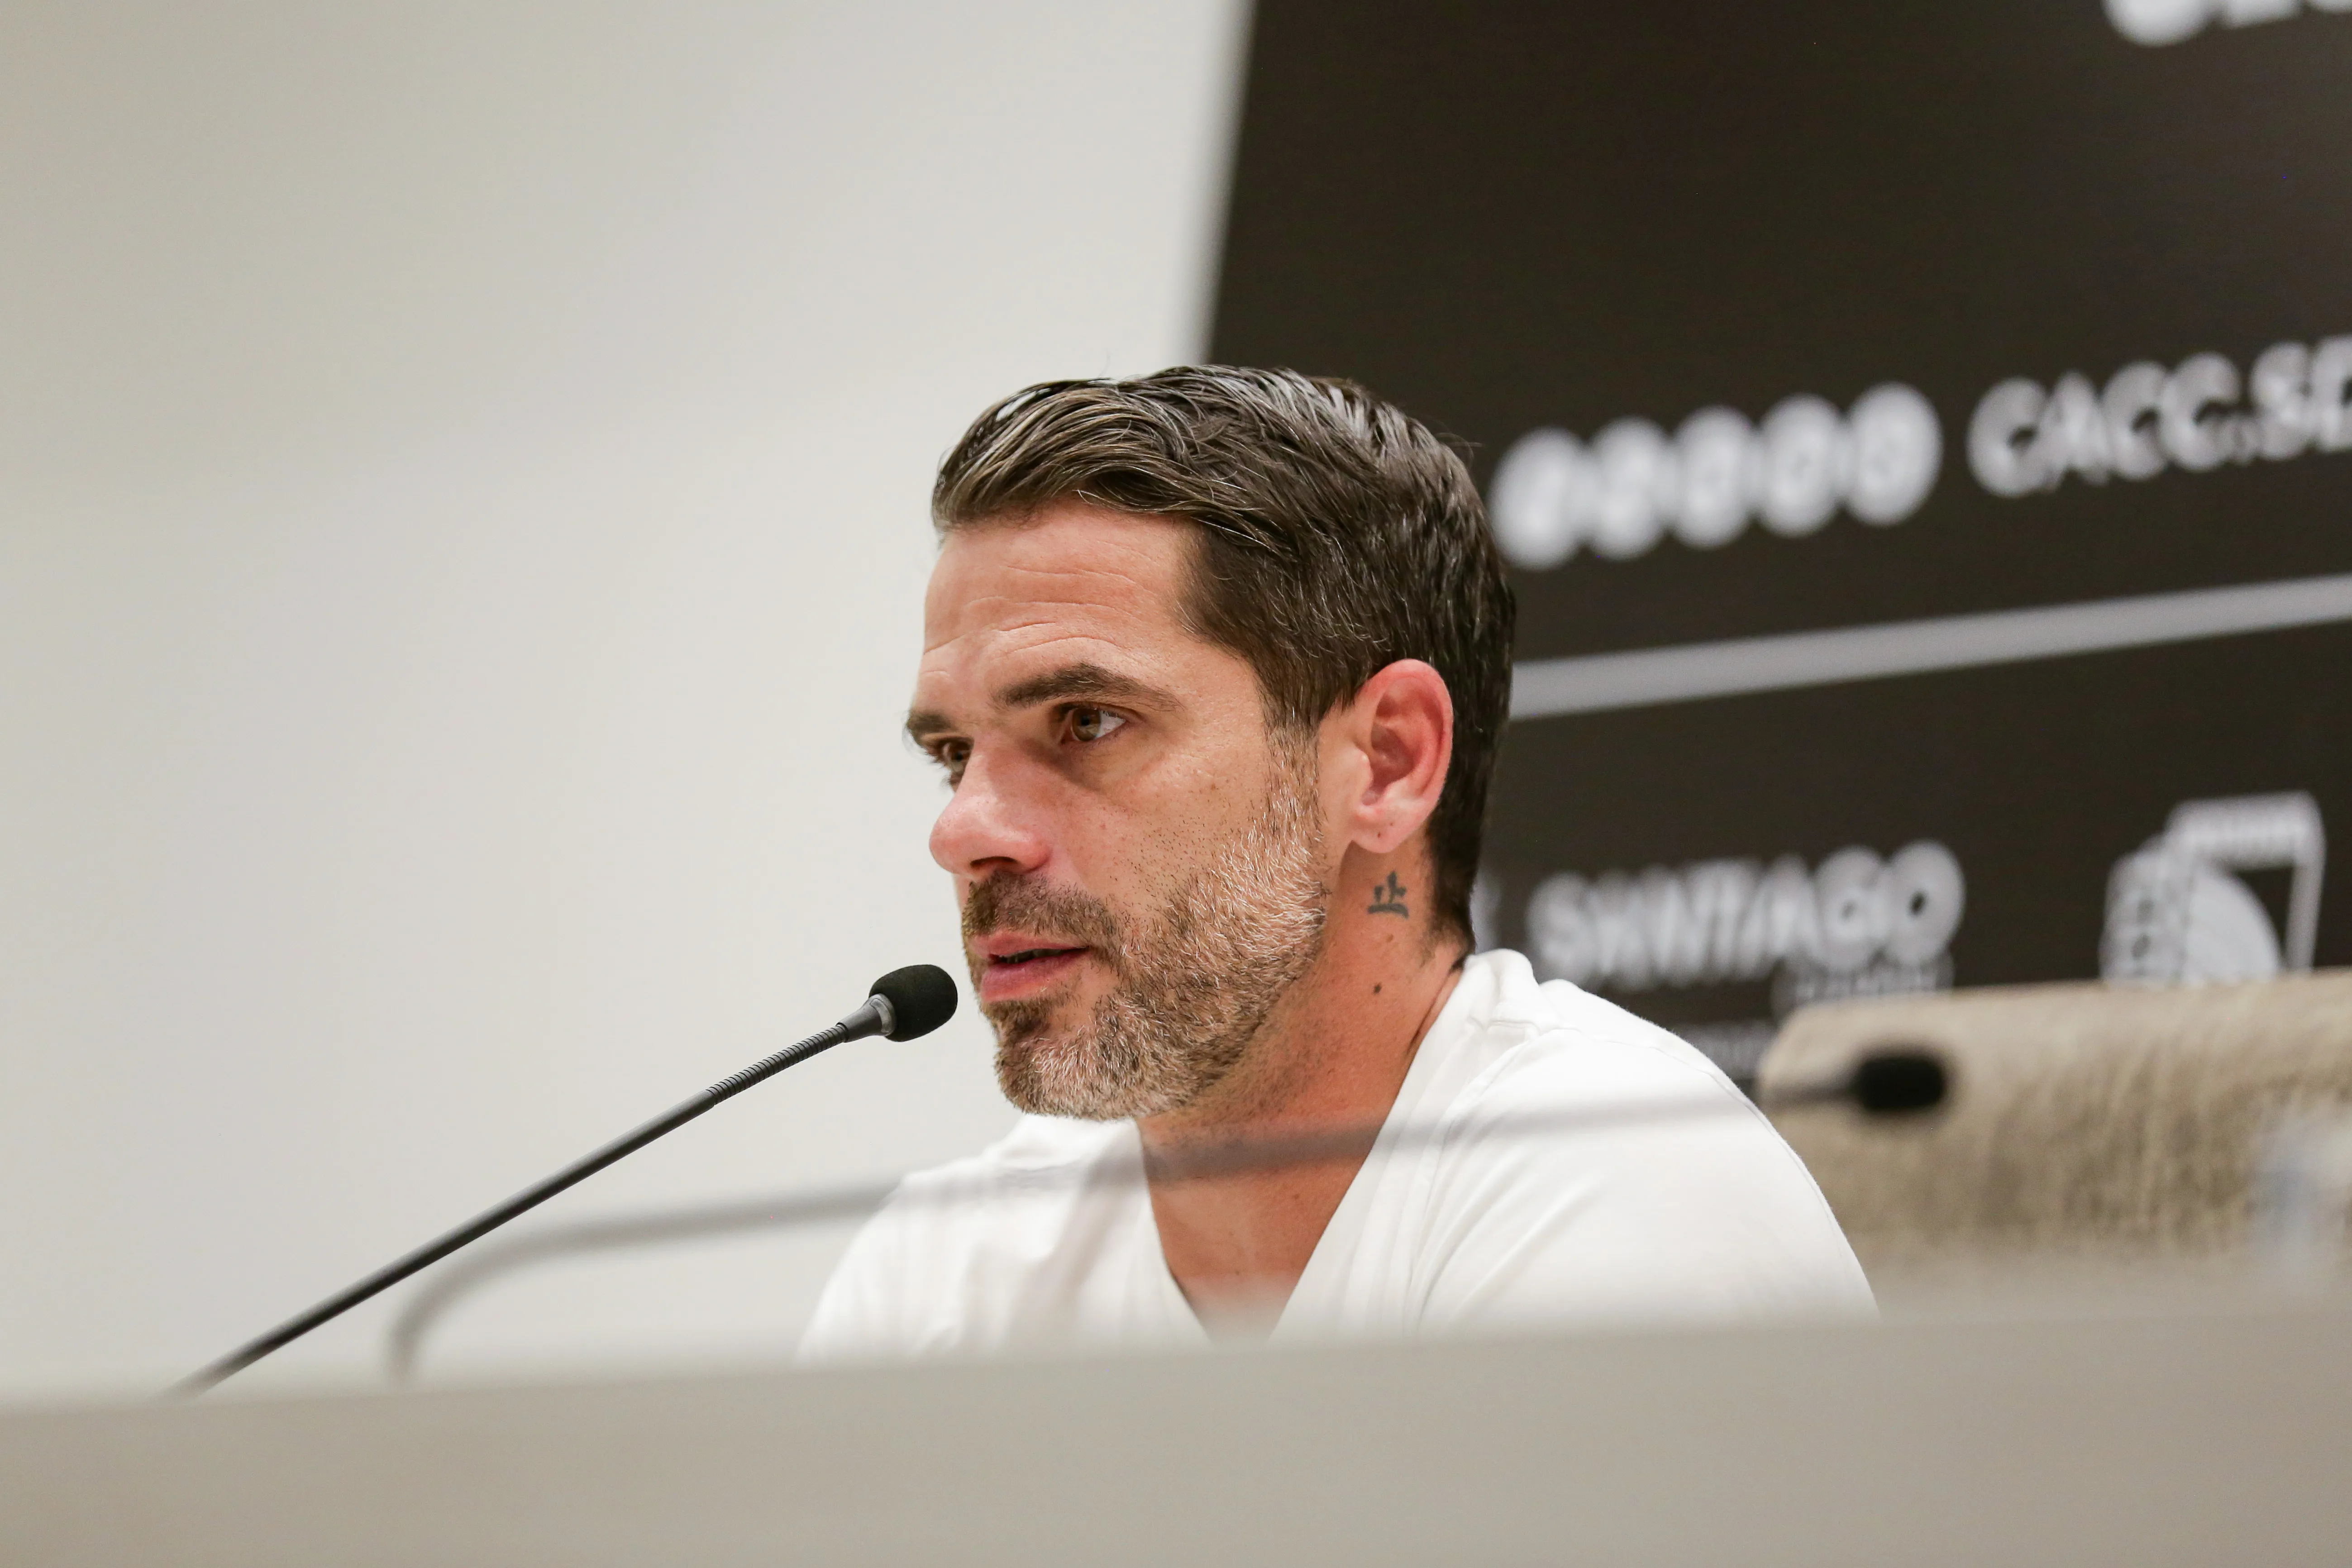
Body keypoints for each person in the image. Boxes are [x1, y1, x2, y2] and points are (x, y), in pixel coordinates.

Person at [798, 367, 1870, 1361]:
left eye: (1088, 721)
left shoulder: (1618, 1186)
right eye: (952, 755)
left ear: (1389, 760)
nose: (964, 831)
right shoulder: (940, 1281)